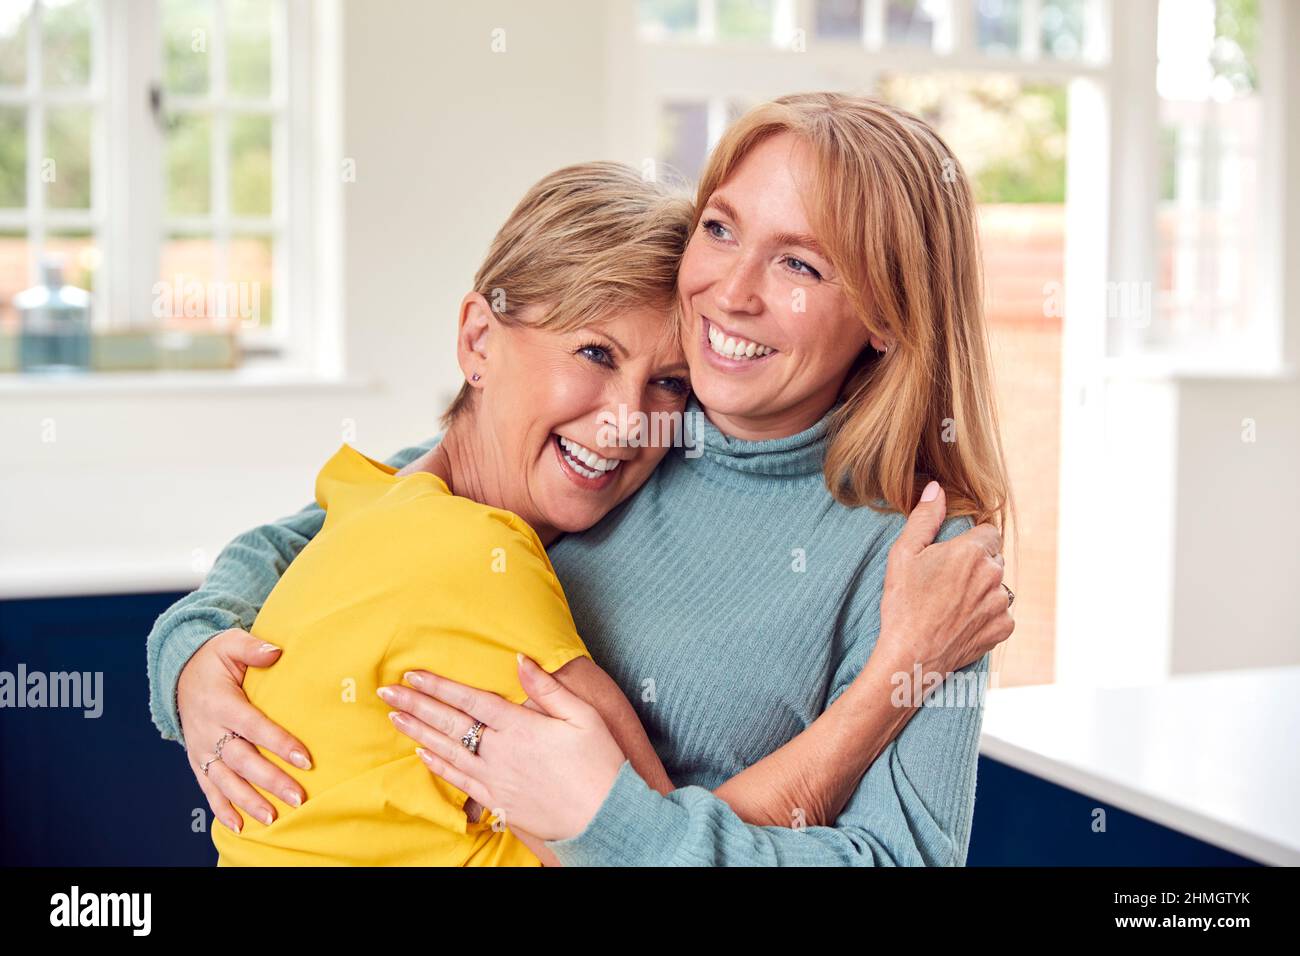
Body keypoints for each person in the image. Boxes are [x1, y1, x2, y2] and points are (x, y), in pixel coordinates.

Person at [148, 93, 1014, 867]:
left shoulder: (928, 571)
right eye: (721, 228)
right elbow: (321, 538)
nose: (730, 292)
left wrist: (611, 827)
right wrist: (188, 657)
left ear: (888, 314)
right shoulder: (621, 439)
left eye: (800, 264)